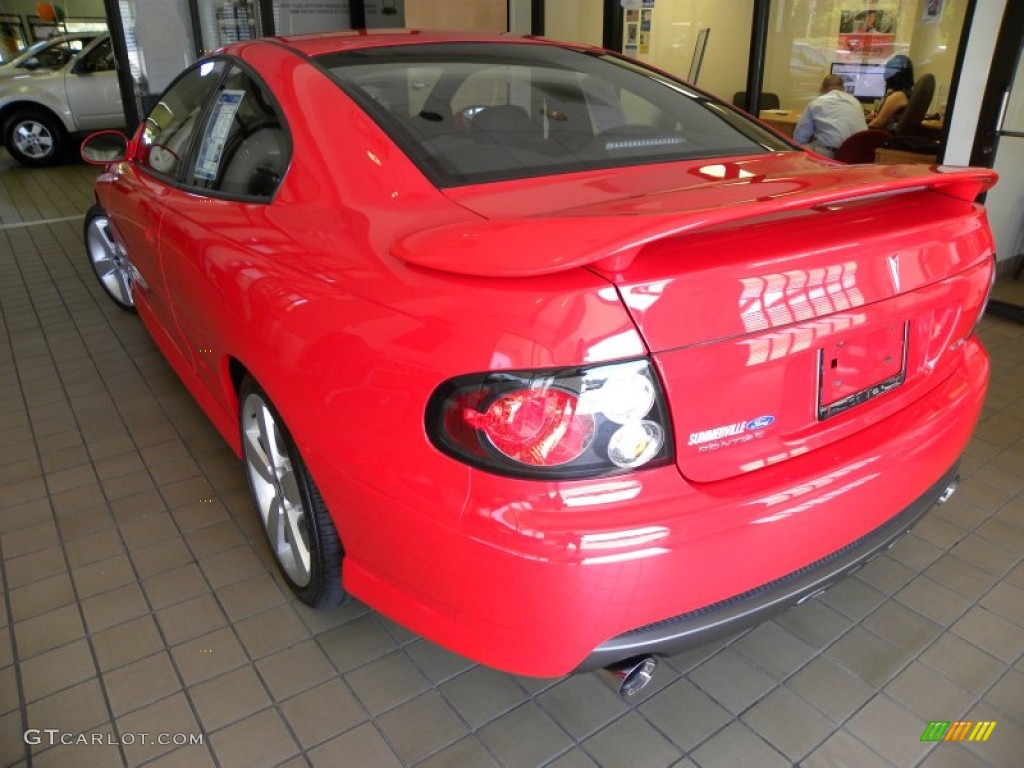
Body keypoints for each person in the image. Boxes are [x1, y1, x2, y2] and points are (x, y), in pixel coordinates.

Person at [792, 74, 868, 158]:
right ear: (843, 88)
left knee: (795, 151)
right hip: (856, 155)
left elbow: (800, 136)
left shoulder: (816, 103)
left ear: (822, 88)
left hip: (830, 154)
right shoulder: (856, 102)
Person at [868, 55, 914, 130]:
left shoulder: (898, 96)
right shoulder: (905, 93)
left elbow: (877, 124)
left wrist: (857, 131)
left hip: (884, 136)